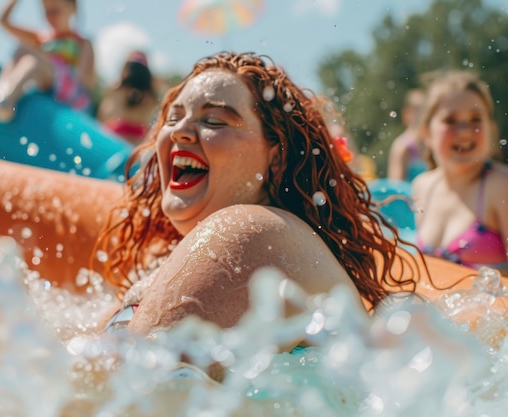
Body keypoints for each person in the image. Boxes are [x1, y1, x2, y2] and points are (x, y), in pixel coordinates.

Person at [93, 52, 421, 340]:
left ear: (275, 160)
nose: (179, 131)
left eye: (213, 120)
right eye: (174, 118)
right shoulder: (170, 256)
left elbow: (130, 384)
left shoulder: (248, 231)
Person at [412, 70, 508, 274]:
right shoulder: (423, 187)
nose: (464, 130)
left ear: (490, 128)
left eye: (475, 119)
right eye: (450, 120)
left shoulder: (501, 186)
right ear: (427, 133)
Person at [0, 0, 95, 123]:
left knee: (33, 60)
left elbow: (84, 80)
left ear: (72, 8)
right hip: (44, 79)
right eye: (47, 12)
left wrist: (48, 61)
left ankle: (6, 102)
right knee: (21, 50)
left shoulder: (82, 43)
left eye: (56, 11)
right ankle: (0, 96)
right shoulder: (42, 38)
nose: (51, 16)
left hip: (66, 90)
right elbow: (3, 21)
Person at [96, 51, 159, 145]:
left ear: (126, 68)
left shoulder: (116, 90)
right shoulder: (151, 98)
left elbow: (102, 117)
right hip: (137, 142)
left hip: (113, 138)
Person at [387, 88, 428, 181]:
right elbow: (397, 185)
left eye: (425, 110)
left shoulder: (430, 144)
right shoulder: (402, 146)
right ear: (406, 114)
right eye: (418, 110)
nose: (423, 115)